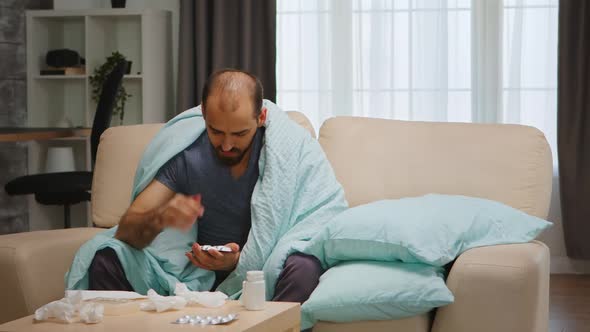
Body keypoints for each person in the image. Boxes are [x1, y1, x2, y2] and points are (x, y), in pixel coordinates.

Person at [87, 69, 323, 304]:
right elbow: (127, 232)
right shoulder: (187, 155)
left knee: (304, 267)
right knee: (106, 259)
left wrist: (238, 262)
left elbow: (316, 220)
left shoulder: (283, 152)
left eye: (240, 134)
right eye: (216, 131)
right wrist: (159, 217)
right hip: (192, 276)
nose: (228, 145)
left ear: (261, 117)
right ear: (203, 114)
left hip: (263, 270)